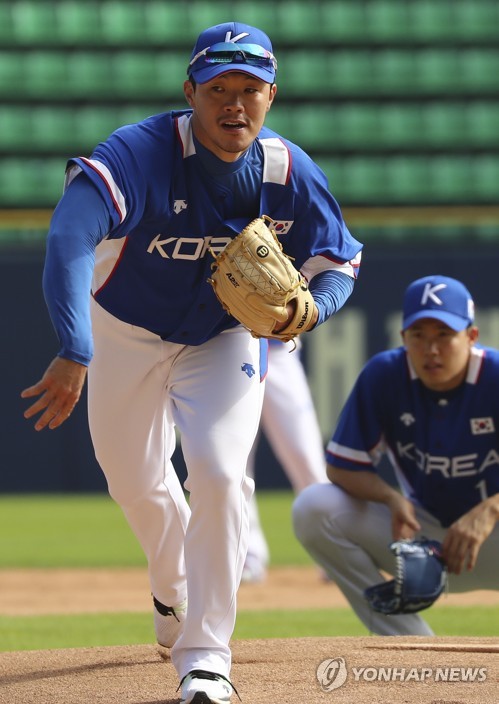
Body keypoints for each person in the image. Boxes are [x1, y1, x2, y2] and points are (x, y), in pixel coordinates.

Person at [21, 22, 362, 704]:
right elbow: (68, 238)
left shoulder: (286, 171)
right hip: (122, 330)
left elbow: (340, 261)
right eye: (217, 90)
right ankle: (172, 590)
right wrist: (75, 346)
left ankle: (205, 657)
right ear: (190, 92)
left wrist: (313, 309)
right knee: (136, 481)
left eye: (250, 90)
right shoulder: (140, 153)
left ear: (271, 95)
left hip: (223, 337)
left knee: (218, 471)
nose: (234, 105)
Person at [293, 275, 499, 637]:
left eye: (443, 334)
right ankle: (411, 643)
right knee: (313, 507)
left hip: (493, 535)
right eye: (419, 335)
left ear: (471, 337)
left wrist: (490, 509)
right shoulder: (385, 375)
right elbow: (342, 467)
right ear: (403, 338)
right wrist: (390, 499)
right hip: (425, 538)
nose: (431, 349)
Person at [243, 337, 327, 583]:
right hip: (228, 350)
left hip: (279, 352)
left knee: (307, 460)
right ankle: (248, 556)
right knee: (235, 464)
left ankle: (334, 554)